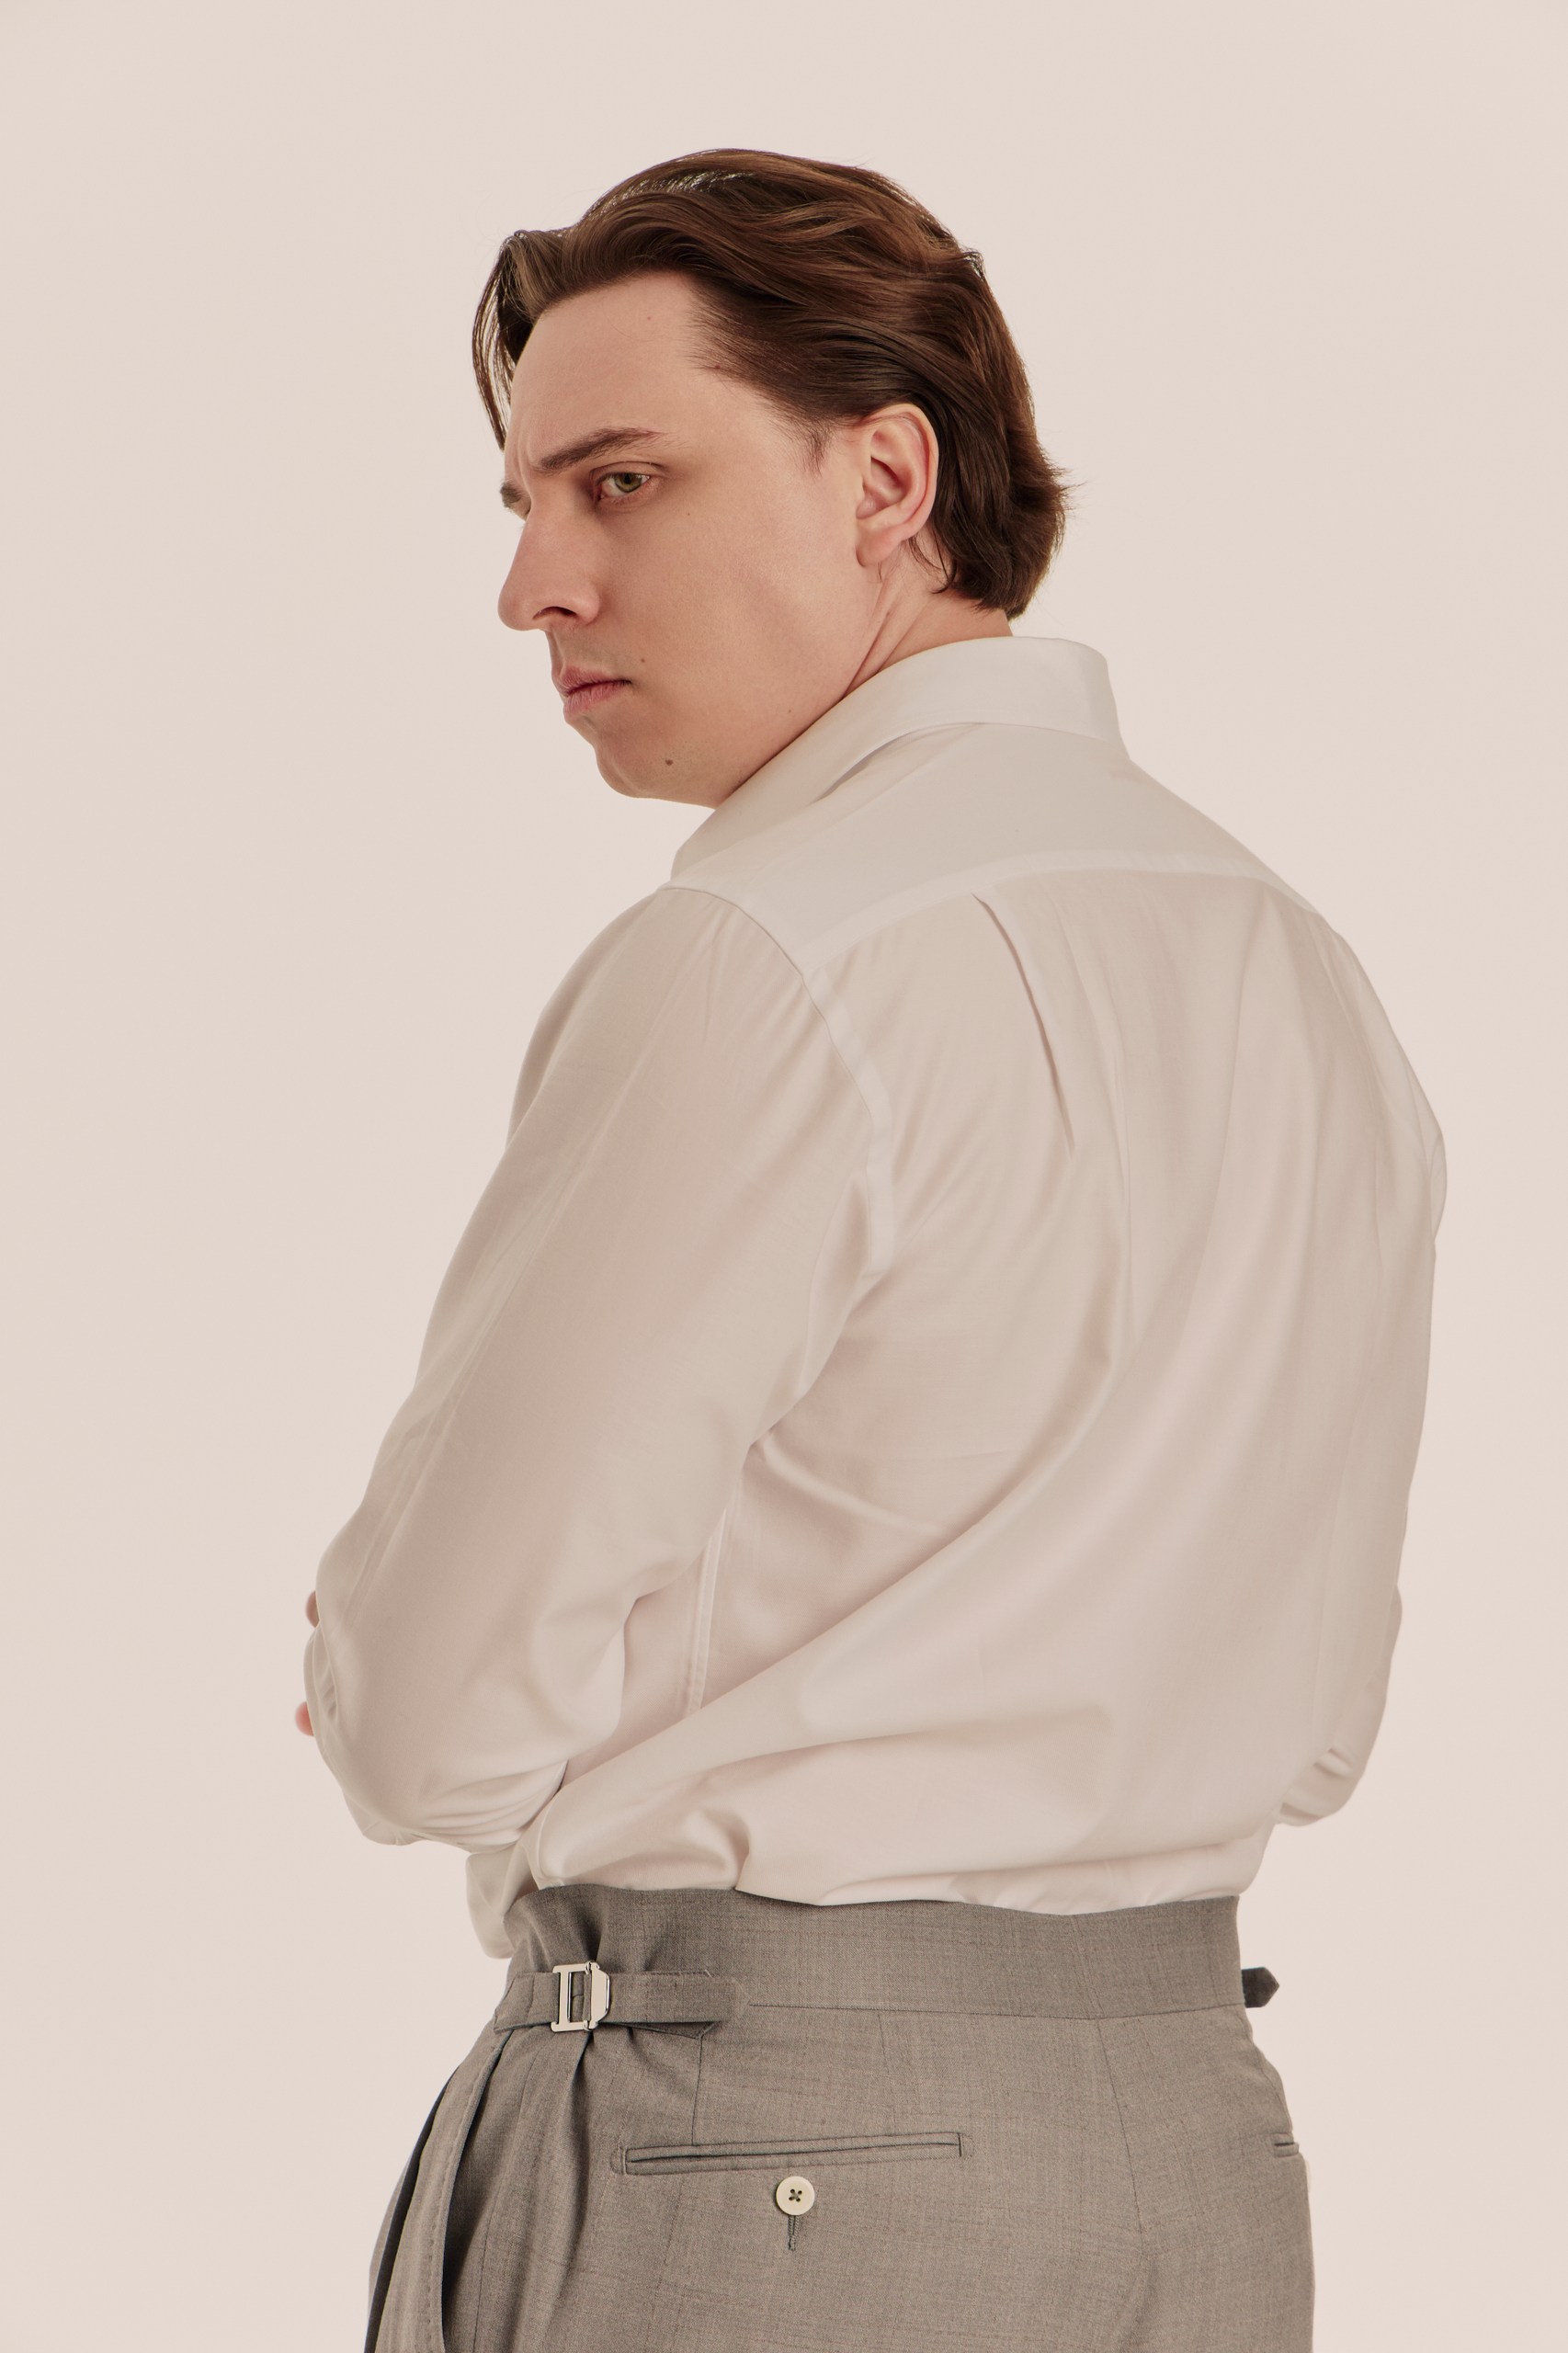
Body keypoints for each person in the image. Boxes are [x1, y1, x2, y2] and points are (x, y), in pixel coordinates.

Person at [297, 147, 1445, 2353]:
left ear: (886, 480)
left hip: (751, 2149)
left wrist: (379, 1650)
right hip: (1189, 2144)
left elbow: (424, 1722)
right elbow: (1317, 1723)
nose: (533, 582)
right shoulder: (1299, 971)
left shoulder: (764, 953)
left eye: (621, 481)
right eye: (522, 500)